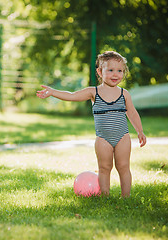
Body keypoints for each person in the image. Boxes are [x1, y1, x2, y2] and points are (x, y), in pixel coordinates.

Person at [36, 51, 146, 197]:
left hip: (122, 137)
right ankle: (105, 196)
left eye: (120, 71)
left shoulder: (124, 94)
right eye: (110, 70)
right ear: (100, 72)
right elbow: (71, 96)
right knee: (104, 167)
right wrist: (53, 92)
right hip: (103, 139)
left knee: (124, 166)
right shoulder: (93, 92)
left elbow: (132, 113)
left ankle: (126, 197)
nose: (115, 74)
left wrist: (140, 131)